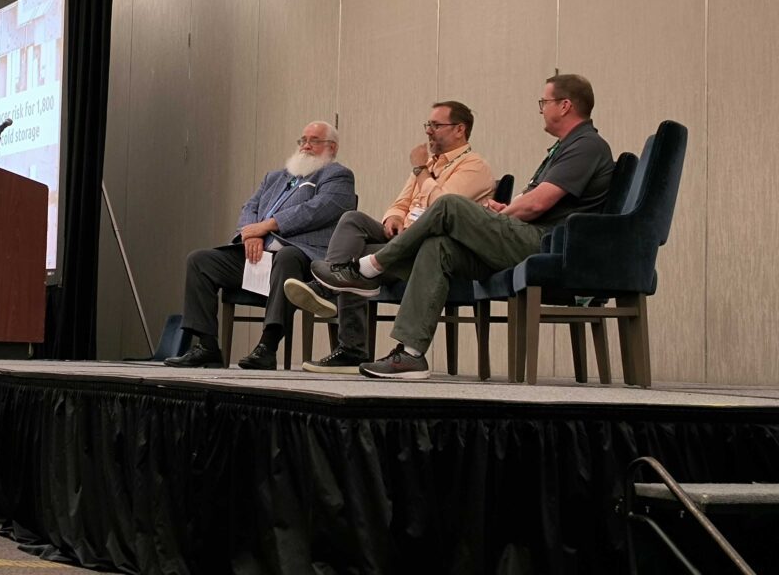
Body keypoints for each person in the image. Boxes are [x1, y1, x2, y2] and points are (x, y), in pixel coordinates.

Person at [312, 74, 615, 379]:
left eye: (544, 102)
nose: (540, 109)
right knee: (438, 246)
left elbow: (538, 203)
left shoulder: (586, 145)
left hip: (546, 244)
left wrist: (505, 214)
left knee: (449, 205)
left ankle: (368, 269)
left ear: (565, 106)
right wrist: (503, 209)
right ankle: (411, 355)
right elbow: (532, 197)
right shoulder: (566, 146)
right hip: (530, 236)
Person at [285, 101, 495, 373]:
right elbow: (400, 202)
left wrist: (421, 171)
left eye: (436, 125)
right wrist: (393, 217)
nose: (429, 131)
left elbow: (444, 208)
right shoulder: (428, 163)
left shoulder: (474, 166)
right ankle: (340, 303)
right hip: (401, 240)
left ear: (459, 130)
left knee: (355, 263)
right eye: (427, 125)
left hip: (433, 250)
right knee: (353, 221)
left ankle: (338, 313)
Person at [164, 121, 356, 370]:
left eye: (314, 141)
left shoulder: (338, 175)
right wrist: (250, 234)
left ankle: (268, 345)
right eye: (303, 140)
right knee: (200, 261)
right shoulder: (275, 177)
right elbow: (250, 207)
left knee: (287, 257)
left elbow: (319, 210)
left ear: (332, 147)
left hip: (302, 260)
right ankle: (207, 345)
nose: (306, 145)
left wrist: (268, 226)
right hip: (257, 254)